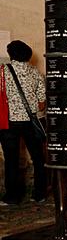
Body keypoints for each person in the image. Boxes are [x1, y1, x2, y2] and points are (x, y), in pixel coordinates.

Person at [0, 40, 46, 205]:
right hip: (32, 121)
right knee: (38, 158)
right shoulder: (35, 72)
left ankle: (13, 196)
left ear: (11, 54)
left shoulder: (2, 71)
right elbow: (42, 101)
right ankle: (39, 194)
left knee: (11, 159)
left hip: (10, 123)